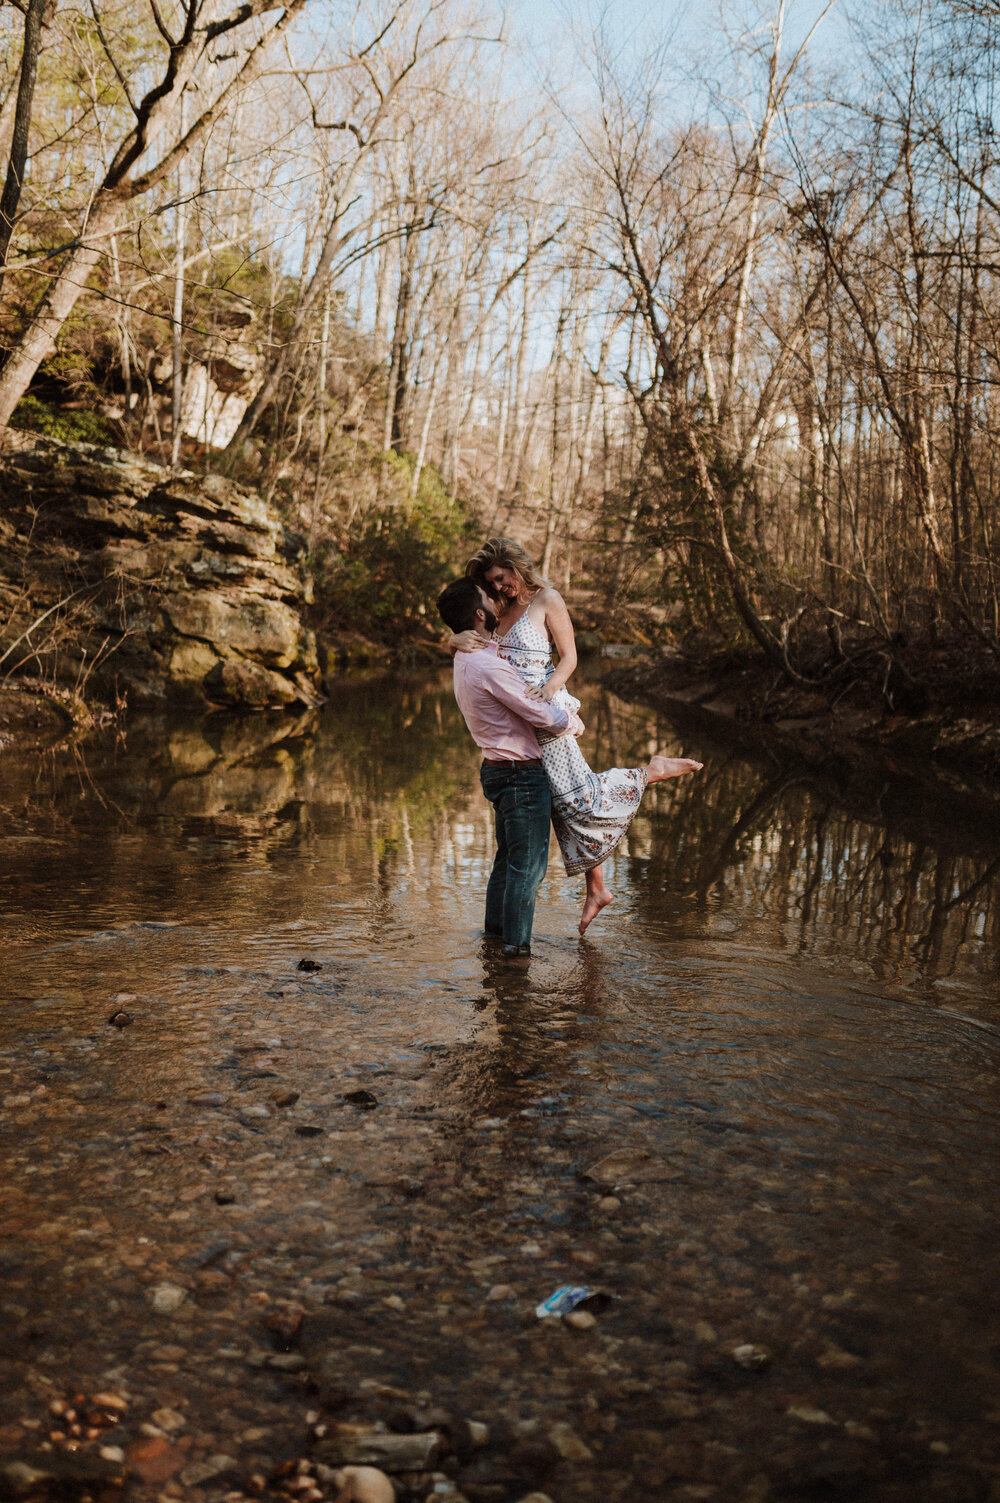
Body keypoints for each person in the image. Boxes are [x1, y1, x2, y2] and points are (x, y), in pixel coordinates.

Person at [452, 537, 703, 935]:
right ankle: (597, 888)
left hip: (547, 713)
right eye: (491, 583)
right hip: (523, 723)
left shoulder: (547, 599)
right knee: (563, 806)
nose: (498, 587)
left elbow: (569, 657)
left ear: (517, 567)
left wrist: (552, 694)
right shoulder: (495, 614)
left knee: (578, 797)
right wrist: (453, 639)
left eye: (501, 578)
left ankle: (650, 772)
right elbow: (471, 646)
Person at [437, 575, 581, 959]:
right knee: (528, 869)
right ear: (480, 616)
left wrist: (451, 638)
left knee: (506, 861)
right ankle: (515, 955)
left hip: (498, 769)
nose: (496, 600)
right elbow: (535, 709)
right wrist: (572, 722)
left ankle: (495, 941)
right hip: (519, 774)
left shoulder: (468, 656)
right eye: (488, 597)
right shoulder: (487, 666)